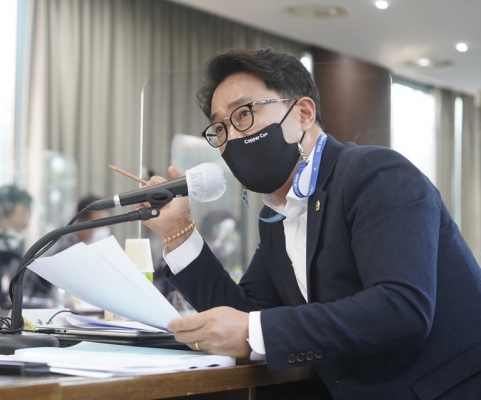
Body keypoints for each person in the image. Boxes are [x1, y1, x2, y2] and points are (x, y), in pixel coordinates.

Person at [139, 48, 481, 399]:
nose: (233, 137)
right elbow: (244, 315)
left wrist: (254, 329)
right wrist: (177, 231)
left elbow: (402, 307)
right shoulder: (275, 216)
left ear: (303, 113)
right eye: (221, 128)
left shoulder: (376, 174)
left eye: (244, 114)